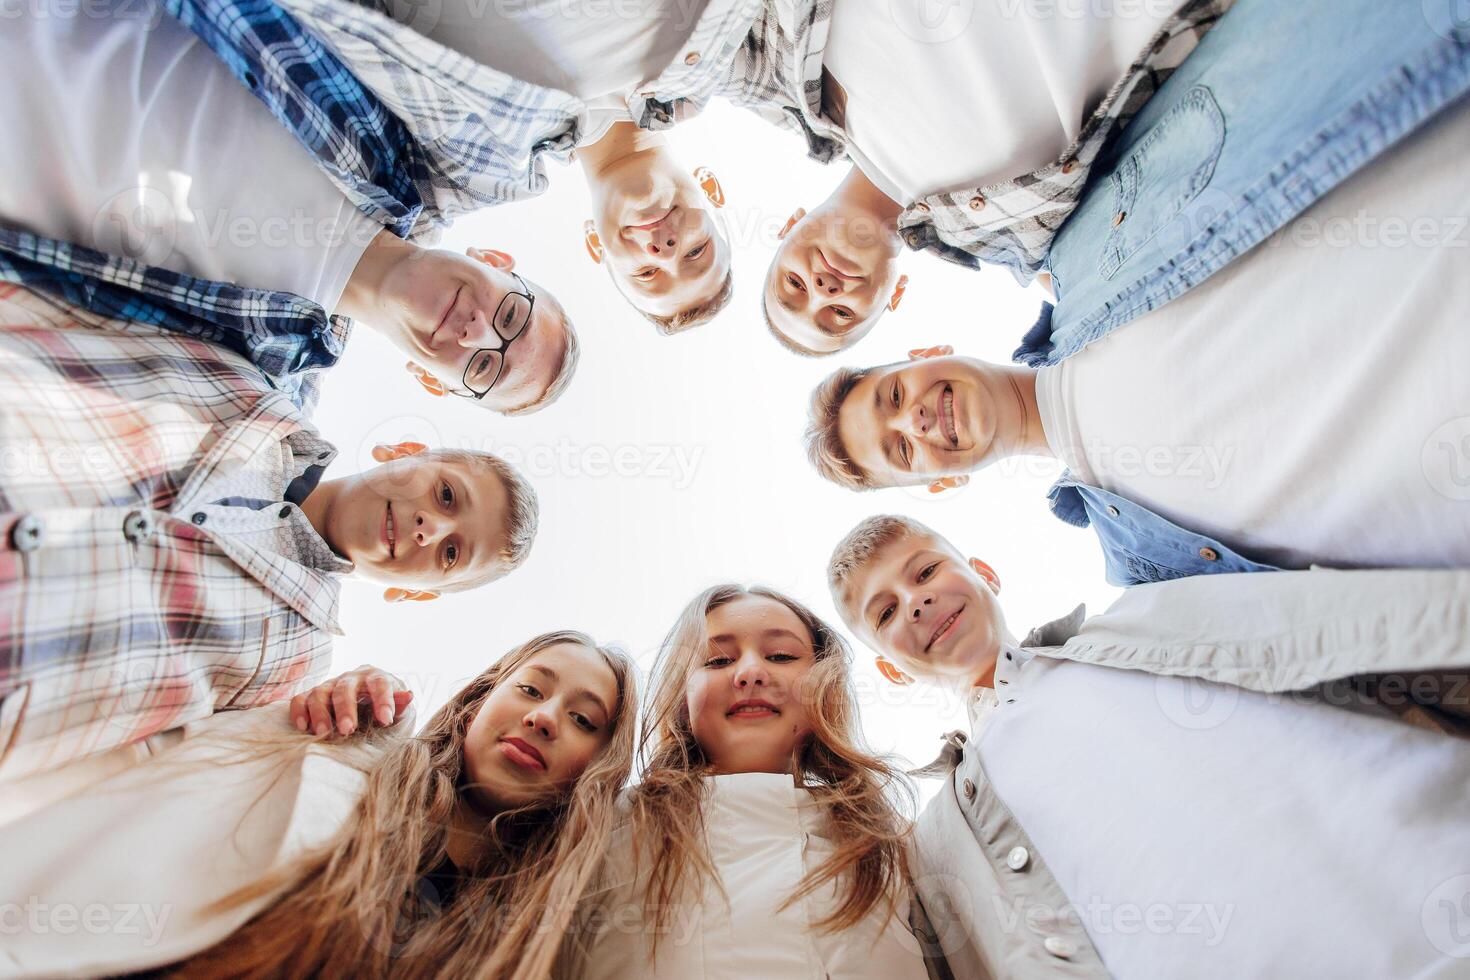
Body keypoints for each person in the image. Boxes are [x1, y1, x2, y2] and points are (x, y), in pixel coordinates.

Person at [803, 80, 1470, 585]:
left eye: (892, 398)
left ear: (924, 353)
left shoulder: (1081, 255)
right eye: (901, 451)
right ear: (940, 487)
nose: (914, 421)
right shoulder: (1145, 570)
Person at [827, 514, 1470, 978]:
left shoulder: (1147, 618)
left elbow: (1357, 627)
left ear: (983, 572)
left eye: (927, 570)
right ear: (888, 666)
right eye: (884, 613)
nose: (916, 602)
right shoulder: (945, 841)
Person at [0, 284, 539, 786]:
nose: (432, 526)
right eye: (447, 495)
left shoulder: (297, 665)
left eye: (450, 552)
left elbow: (180, 769)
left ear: (414, 593)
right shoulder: (244, 386)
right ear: (401, 452)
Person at [0, 0, 579, 414]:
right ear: (497, 258)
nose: (478, 333)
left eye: (482, 368)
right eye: (510, 316)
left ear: (432, 384)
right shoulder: (392, 146)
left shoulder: (262, 373)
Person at [0, 634, 638, 978]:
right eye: (530, 687)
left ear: (597, 771)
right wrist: (319, 717)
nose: (544, 717)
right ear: (474, 705)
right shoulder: (347, 759)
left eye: (584, 719)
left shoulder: (546, 931)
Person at [569, 585, 933, 979]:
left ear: (823, 687)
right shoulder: (602, 830)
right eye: (718, 660)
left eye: (780, 656)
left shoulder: (891, 843)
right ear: (681, 698)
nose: (750, 673)